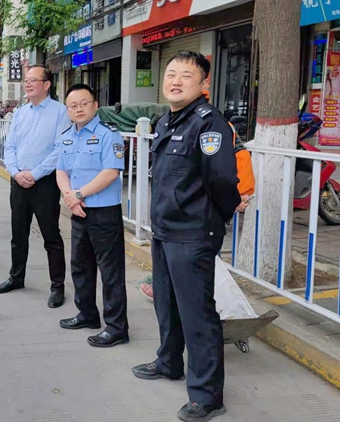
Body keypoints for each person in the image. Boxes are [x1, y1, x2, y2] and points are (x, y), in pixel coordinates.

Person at [131, 51, 240, 422]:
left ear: (204, 83)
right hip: (165, 230)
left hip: (193, 233)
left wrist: (215, 218)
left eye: (186, 76)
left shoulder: (209, 124)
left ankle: (207, 395)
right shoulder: (166, 120)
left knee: (197, 314)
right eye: (171, 74)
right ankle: (169, 361)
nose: (175, 81)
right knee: (167, 304)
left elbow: (222, 180)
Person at [139, 124, 254, 301]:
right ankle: (169, 290)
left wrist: (240, 193)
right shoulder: (173, 121)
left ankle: (203, 298)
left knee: (200, 256)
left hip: (200, 206)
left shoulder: (212, 124)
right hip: (177, 204)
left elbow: (239, 157)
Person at [56, 84, 129, 348]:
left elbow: (111, 172)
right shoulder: (66, 137)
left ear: (95, 105)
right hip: (78, 211)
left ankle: (117, 328)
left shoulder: (109, 136)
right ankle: (87, 314)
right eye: (73, 105)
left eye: (84, 103)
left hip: (104, 213)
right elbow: (61, 171)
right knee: (80, 266)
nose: (79, 109)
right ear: (68, 110)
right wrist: (69, 197)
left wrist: (79, 194)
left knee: (110, 272)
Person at [0, 65, 71, 309]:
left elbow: (60, 149)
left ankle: (57, 286)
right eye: (26, 80)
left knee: (51, 236)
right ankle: (16, 277)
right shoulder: (19, 113)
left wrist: (35, 173)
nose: (27, 84)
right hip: (18, 182)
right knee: (18, 234)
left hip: (45, 183)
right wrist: (16, 173)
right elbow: (10, 146)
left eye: (32, 80)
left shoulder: (60, 112)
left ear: (47, 84)